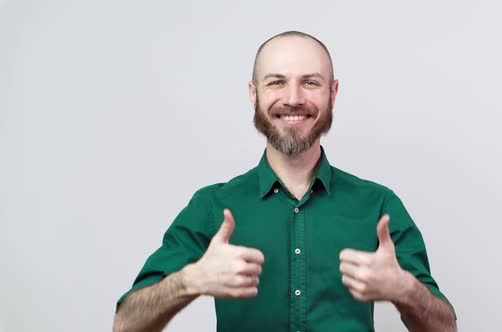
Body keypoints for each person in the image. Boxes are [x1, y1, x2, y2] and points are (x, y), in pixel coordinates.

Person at [113, 31, 457, 332]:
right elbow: (126, 324)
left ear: (333, 93)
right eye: (276, 81)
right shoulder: (212, 206)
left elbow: (445, 328)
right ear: (253, 94)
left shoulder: (378, 205)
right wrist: (188, 281)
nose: (293, 98)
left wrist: (405, 290)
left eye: (310, 82)